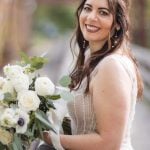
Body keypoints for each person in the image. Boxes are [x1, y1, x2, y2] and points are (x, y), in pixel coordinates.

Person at [42, 0, 143, 149]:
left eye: (103, 12)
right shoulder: (92, 56)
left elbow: (109, 143)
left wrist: (51, 139)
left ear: (117, 23)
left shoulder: (111, 66)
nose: (91, 17)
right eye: (88, 9)